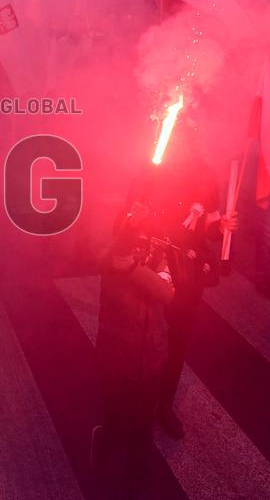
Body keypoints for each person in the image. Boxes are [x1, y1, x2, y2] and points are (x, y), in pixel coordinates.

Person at [123, 134, 237, 439]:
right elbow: (128, 221)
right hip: (153, 270)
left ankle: (164, 404)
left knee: (177, 341)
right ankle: (137, 401)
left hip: (187, 273)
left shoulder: (205, 176)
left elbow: (207, 225)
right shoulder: (150, 171)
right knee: (146, 339)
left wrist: (220, 226)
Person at [91, 201, 175, 488]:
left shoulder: (156, 259)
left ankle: (137, 467)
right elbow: (114, 258)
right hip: (117, 357)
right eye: (134, 239)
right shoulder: (110, 258)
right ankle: (103, 443)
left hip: (151, 356)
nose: (140, 245)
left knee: (143, 421)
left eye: (144, 239)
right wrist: (127, 247)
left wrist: (135, 269)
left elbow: (165, 293)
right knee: (115, 417)